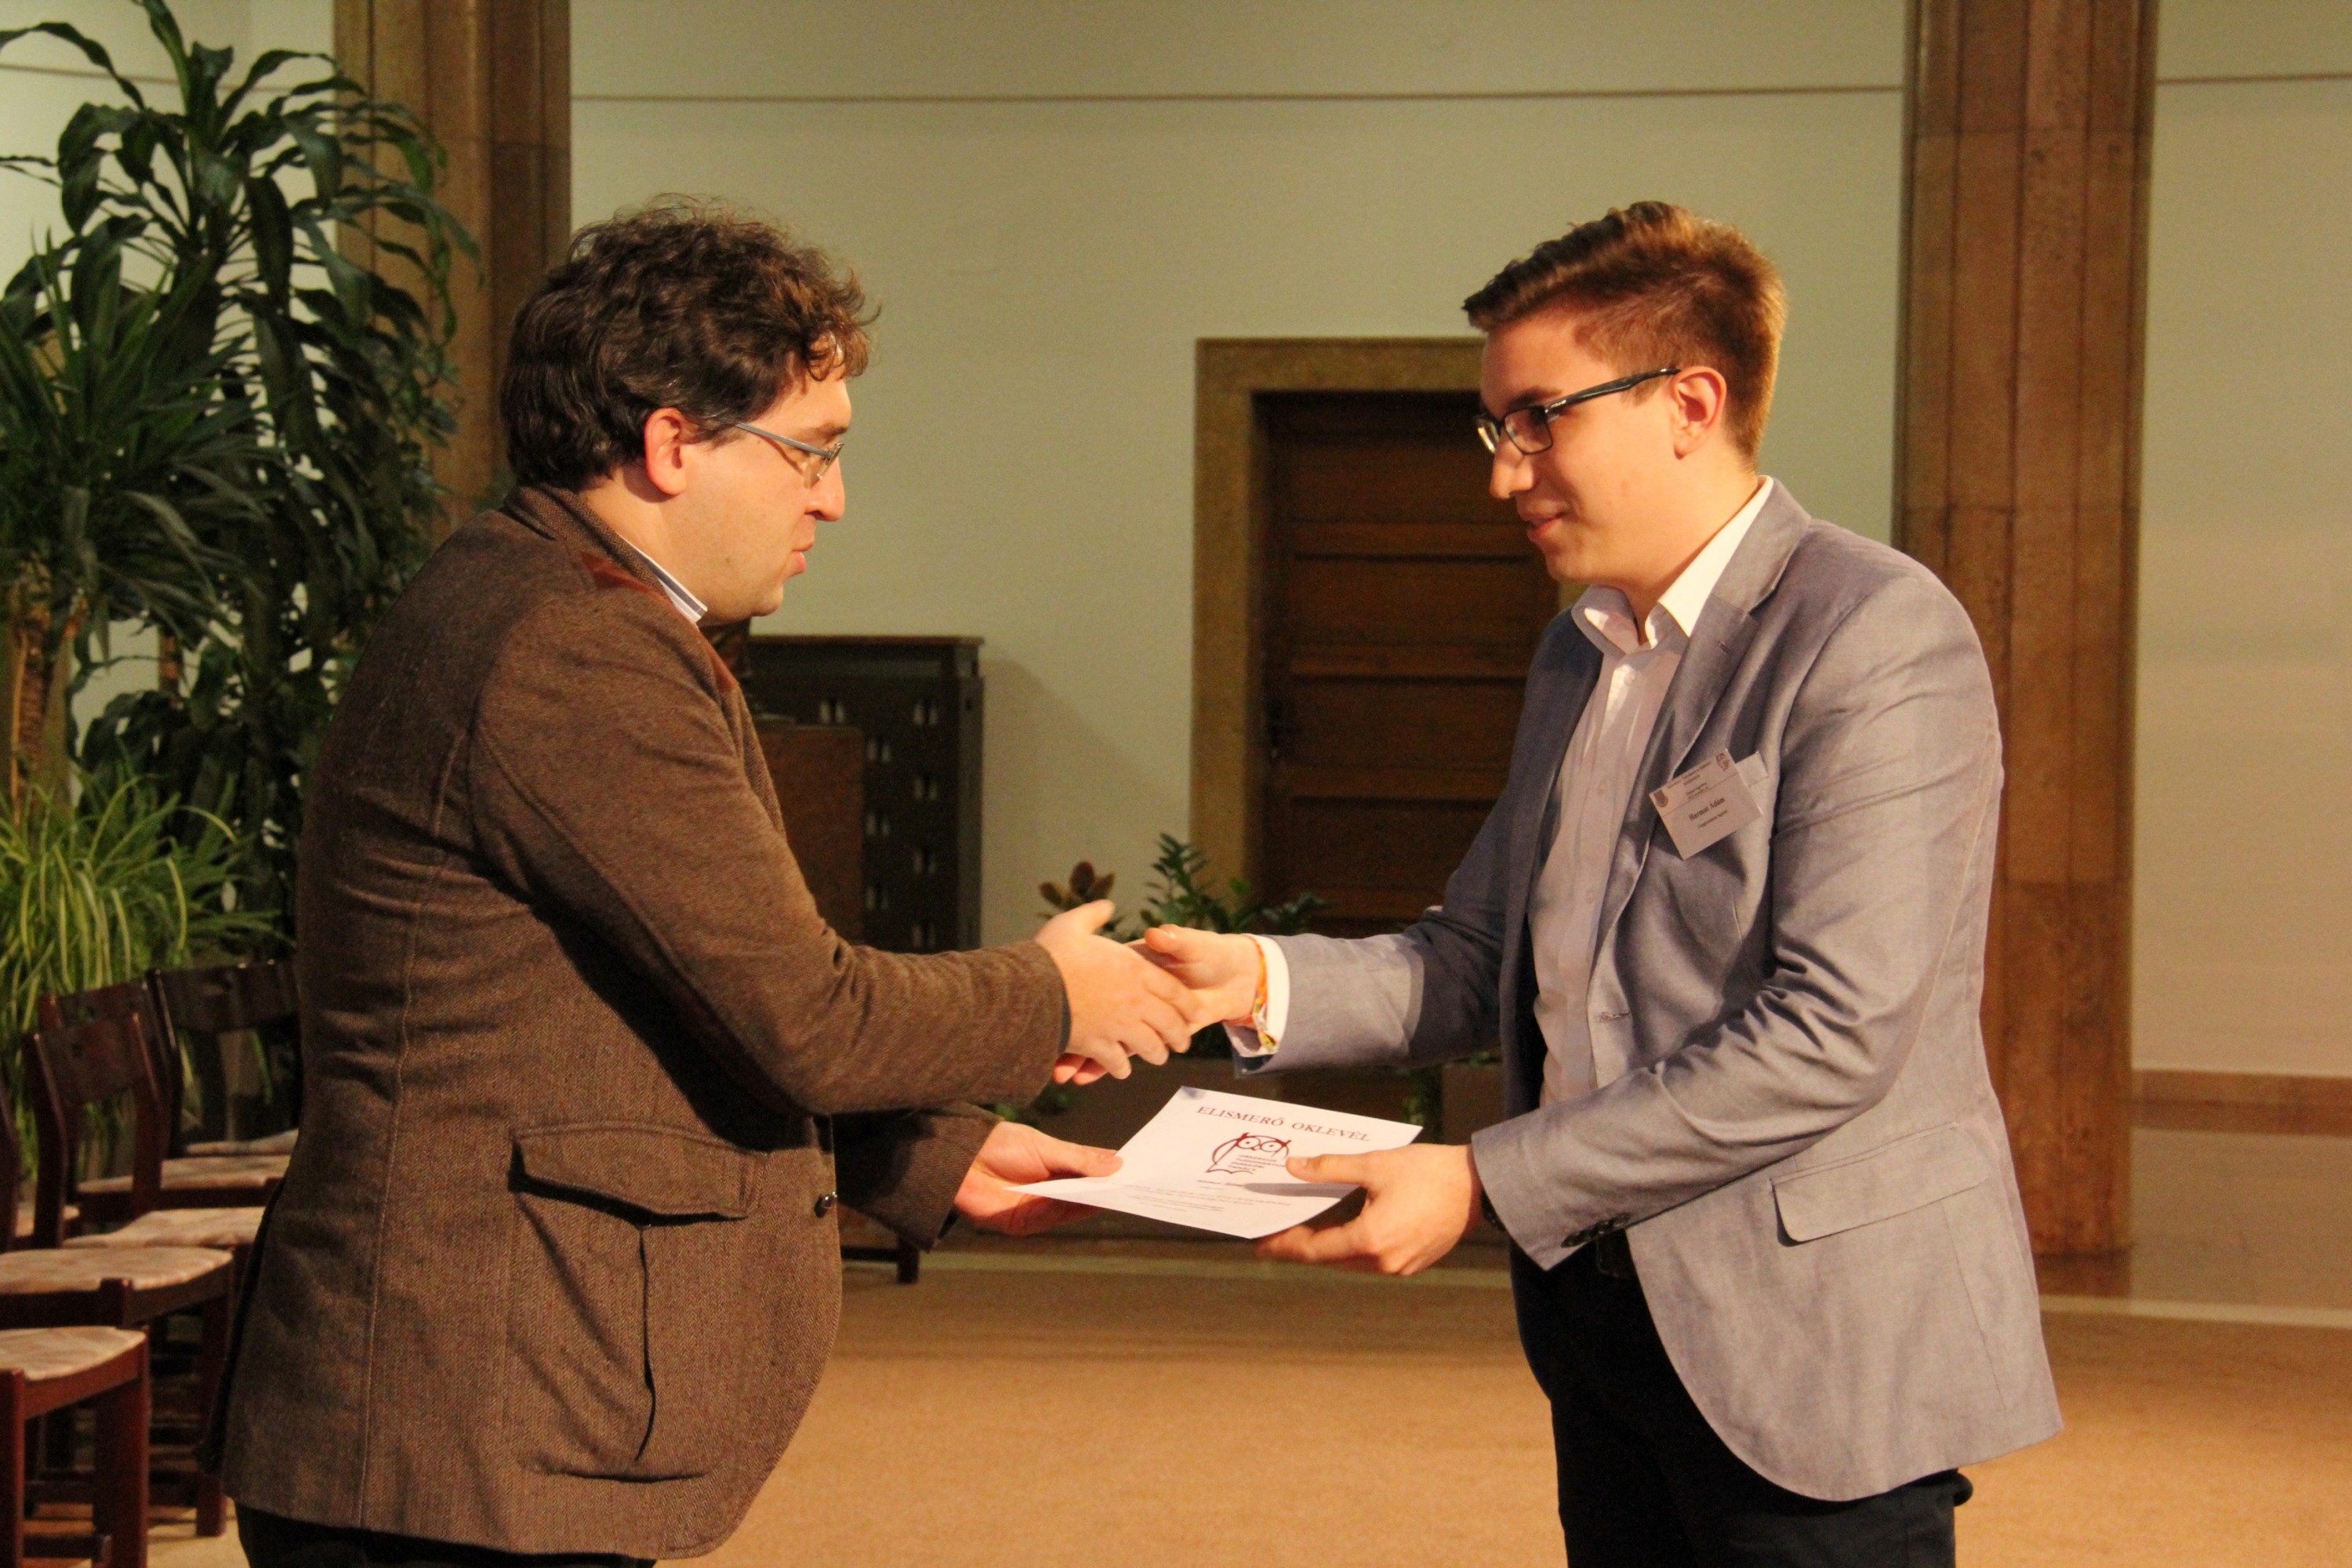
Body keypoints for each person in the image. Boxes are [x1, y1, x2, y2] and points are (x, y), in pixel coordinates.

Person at [216, 201, 1209, 1568]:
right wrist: (1053, 993)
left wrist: (932, 1152)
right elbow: (807, 1014)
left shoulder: (551, 602)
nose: (833, 500)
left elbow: (648, 1007)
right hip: (461, 1429)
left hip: (469, 1425)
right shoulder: (575, 647)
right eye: (813, 451)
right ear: (674, 442)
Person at [1147, 202, 2060, 1566]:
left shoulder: (1872, 632)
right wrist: (1257, 981)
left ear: (1690, 403)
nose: (1506, 477)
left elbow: (1834, 1031)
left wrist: (1483, 1181)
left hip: (1812, 1330)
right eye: (1496, 430)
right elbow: (1484, 952)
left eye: (1539, 420)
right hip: (1600, 1304)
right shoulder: (1581, 649)